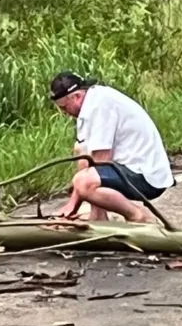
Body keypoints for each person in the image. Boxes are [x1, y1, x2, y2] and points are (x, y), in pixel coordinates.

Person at [49, 72, 175, 222]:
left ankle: (136, 215)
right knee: (82, 153)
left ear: (77, 96)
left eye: (65, 107)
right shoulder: (91, 103)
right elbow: (87, 155)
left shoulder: (100, 105)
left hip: (146, 176)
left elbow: (101, 161)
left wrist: (72, 205)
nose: (65, 113)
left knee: (84, 182)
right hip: (127, 167)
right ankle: (98, 216)